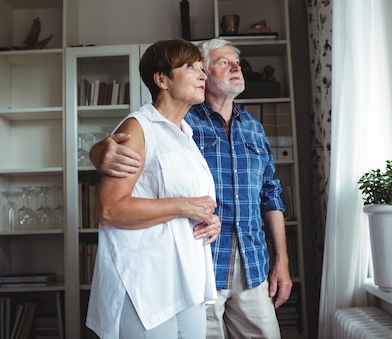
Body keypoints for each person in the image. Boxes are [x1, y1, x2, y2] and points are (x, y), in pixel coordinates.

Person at [90, 38, 292, 339]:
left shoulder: (215, 129)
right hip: (184, 267)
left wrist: (281, 260)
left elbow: (267, 192)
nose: (235, 67)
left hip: (238, 264)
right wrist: (96, 153)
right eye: (221, 63)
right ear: (164, 79)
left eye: (202, 68)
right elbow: (114, 194)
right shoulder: (180, 122)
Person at [86, 39, 221, 339]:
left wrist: (209, 220)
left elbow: (196, 202)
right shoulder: (137, 127)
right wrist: (184, 206)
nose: (203, 75)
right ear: (161, 79)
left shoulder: (187, 135)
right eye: (191, 67)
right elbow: (110, 209)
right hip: (144, 283)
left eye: (202, 68)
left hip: (186, 280)